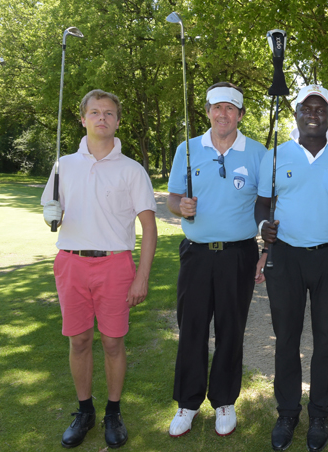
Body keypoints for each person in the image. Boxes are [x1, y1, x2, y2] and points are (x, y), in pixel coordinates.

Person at [41, 89, 157, 449]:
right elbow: (50, 209)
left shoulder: (131, 169)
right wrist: (51, 215)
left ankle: (113, 411)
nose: (102, 118)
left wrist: (141, 275)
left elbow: (149, 228)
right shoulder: (63, 165)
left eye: (109, 113)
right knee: (79, 340)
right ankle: (84, 411)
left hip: (115, 264)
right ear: (83, 119)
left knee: (112, 342)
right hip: (70, 262)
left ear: (118, 121)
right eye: (95, 112)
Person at [255, 84, 328, 452]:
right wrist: (262, 227)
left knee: (326, 340)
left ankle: (319, 412)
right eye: (306, 107)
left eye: (321, 108)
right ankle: (288, 411)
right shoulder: (275, 156)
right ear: (297, 113)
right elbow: (262, 205)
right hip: (284, 258)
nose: (313, 113)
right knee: (285, 338)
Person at [167, 82, 267, 438]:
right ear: (208, 111)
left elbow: (265, 205)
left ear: (240, 115)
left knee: (231, 329)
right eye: (216, 108)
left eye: (230, 109)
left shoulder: (258, 153)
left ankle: (224, 400)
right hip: (196, 253)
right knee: (192, 327)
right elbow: (172, 198)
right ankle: (187, 404)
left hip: (238, 254)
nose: (223, 114)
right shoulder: (188, 149)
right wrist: (181, 206)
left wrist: (265, 251)